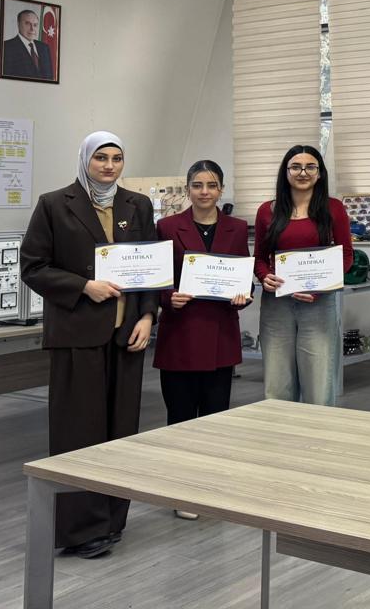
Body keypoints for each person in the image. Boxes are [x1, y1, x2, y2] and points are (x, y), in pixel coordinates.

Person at [20, 131, 157, 558]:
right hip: (77, 336)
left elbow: (151, 267)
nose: (109, 166)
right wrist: (83, 286)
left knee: (121, 432)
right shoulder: (53, 204)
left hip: (125, 336)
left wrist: (148, 316)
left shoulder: (138, 205)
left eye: (117, 158)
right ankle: (81, 530)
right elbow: (33, 266)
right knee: (78, 432)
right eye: (101, 158)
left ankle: (113, 521)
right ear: (85, 160)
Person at [154, 159, 250, 519]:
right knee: (180, 416)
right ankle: (181, 491)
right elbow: (157, 278)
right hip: (181, 334)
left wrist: (243, 295)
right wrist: (168, 297)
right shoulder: (167, 227)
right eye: (197, 185)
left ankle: (208, 488)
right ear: (188, 189)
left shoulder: (237, 228)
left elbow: (243, 277)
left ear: (221, 190)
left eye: (211, 185)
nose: (204, 192)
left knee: (215, 417)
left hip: (220, 333)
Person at [253, 145, 352, 406]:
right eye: (296, 167)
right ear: (285, 172)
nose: (303, 172)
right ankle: (281, 431)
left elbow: (346, 256)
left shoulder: (334, 209)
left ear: (320, 173)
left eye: (310, 167)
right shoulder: (267, 211)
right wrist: (264, 276)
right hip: (277, 305)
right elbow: (260, 258)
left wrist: (320, 287)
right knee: (277, 386)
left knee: (319, 385)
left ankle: (318, 432)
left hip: (318, 304)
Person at [1, 8, 53, 79]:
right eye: (27, 24)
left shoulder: (44, 48)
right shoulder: (6, 47)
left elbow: (50, 78)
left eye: (35, 25)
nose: (32, 29)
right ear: (18, 24)